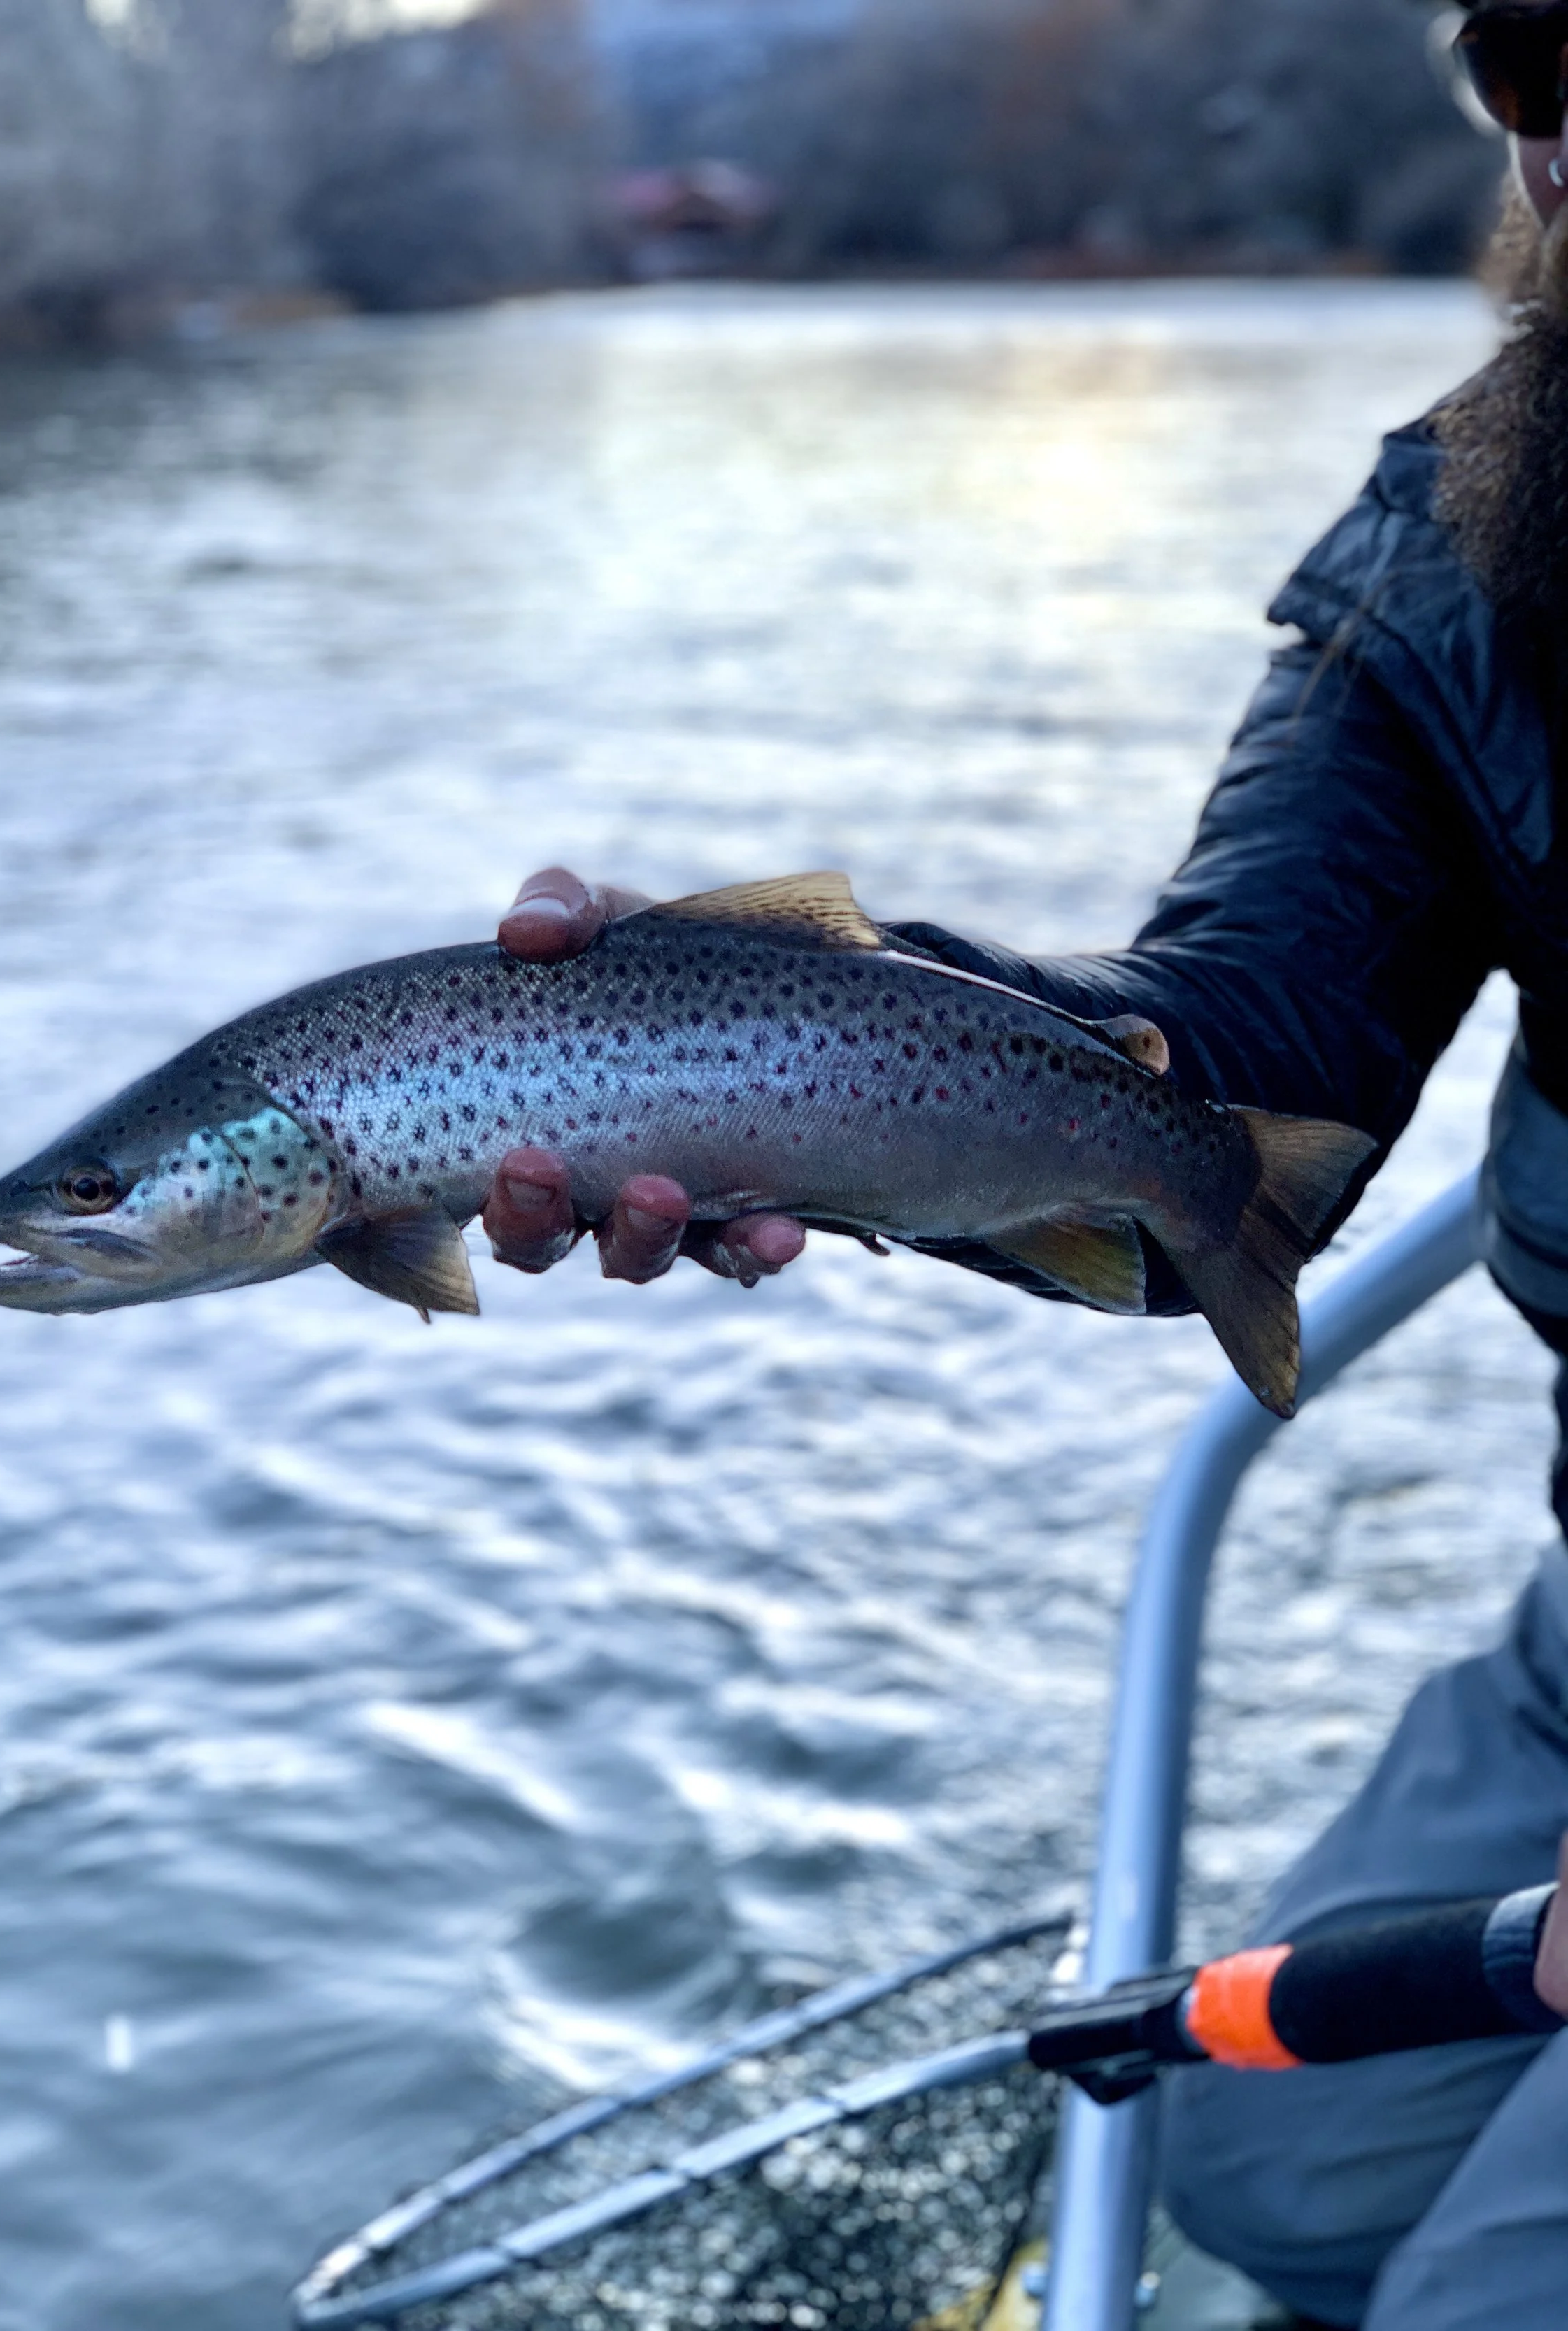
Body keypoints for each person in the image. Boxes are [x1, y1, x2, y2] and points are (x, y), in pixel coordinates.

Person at [475, 8, 1568, 2322]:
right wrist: (821, 1066)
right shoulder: (1468, 528)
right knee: (1264, 2171)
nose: (1559, 126)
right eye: (1531, 54)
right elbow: (1226, 1051)